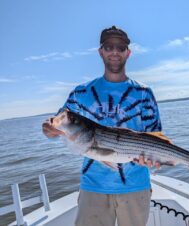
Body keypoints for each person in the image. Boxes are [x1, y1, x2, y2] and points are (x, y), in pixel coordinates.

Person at [42, 25, 162, 226]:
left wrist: (154, 160)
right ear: (101, 51)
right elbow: (54, 127)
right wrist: (48, 129)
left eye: (120, 47)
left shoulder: (144, 93)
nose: (115, 51)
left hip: (135, 187)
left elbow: (156, 138)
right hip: (92, 188)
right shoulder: (80, 93)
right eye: (109, 46)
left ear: (128, 53)